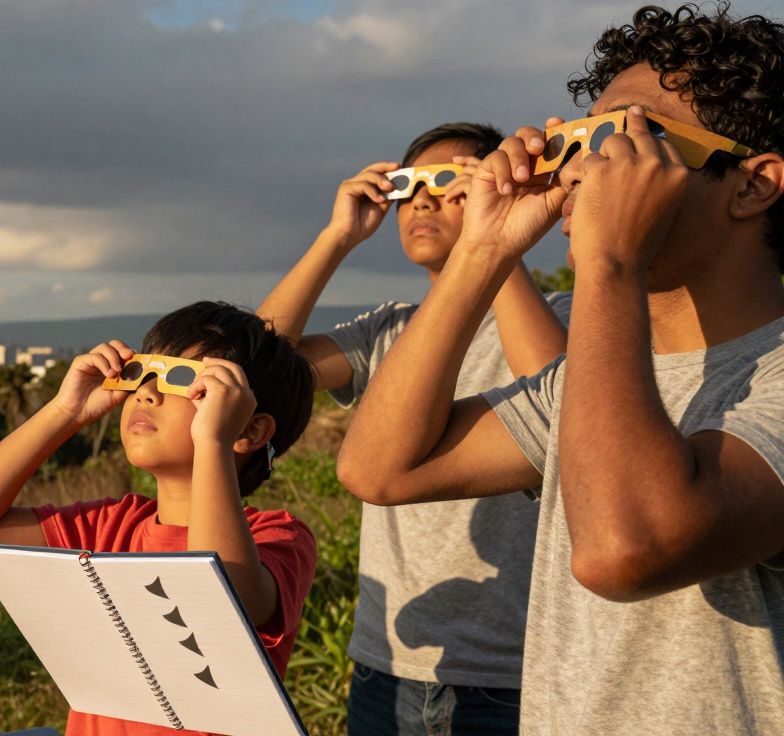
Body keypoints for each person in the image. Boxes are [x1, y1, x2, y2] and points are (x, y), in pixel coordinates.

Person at [335, 4, 784, 734]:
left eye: (624, 137)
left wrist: (610, 259)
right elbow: (380, 469)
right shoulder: (588, 382)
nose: (583, 168)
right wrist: (483, 249)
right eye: (576, 140)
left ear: (751, 184)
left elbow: (621, 549)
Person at [257, 121, 570, 735]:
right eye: (409, 185)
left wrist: (495, 243)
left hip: (519, 671)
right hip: (388, 663)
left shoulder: (557, 315)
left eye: (448, 181)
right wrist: (336, 237)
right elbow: (252, 366)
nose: (422, 201)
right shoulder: (388, 333)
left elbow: (566, 402)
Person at [0, 301, 319, 736]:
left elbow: (222, 604)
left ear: (248, 430)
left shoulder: (277, 537)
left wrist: (212, 439)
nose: (147, 393)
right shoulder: (111, 526)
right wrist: (65, 412)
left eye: (182, 380)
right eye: (143, 375)